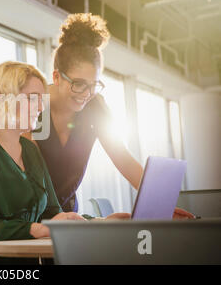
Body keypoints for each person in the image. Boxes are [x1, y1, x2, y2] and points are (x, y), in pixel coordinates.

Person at [0, 61, 128, 264]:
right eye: (32, 99)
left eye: (40, 99)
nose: (41, 106)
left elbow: (53, 213)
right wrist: (33, 229)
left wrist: (99, 222)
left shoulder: (30, 151)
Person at [24, 13, 194, 219]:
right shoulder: (32, 106)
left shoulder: (96, 107)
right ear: (56, 77)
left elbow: (123, 159)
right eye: (78, 84)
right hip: (28, 214)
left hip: (67, 216)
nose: (86, 94)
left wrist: (163, 204)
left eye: (94, 85)